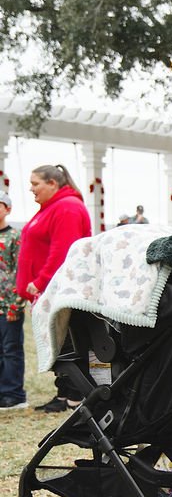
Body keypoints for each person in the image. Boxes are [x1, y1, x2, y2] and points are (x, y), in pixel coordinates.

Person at [16, 164, 92, 413]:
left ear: (52, 184)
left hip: (59, 291)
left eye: (35, 183)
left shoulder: (67, 207)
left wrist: (40, 281)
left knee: (68, 342)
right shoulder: (52, 208)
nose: (31, 188)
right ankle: (64, 393)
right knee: (58, 344)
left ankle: (75, 396)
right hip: (48, 292)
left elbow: (63, 251)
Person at [0, 192, 27, 410]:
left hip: (8, 305)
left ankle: (14, 393)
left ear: (8, 209)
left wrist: (17, 303)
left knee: (11, 349)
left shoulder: (15, 237)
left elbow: (20, 272)